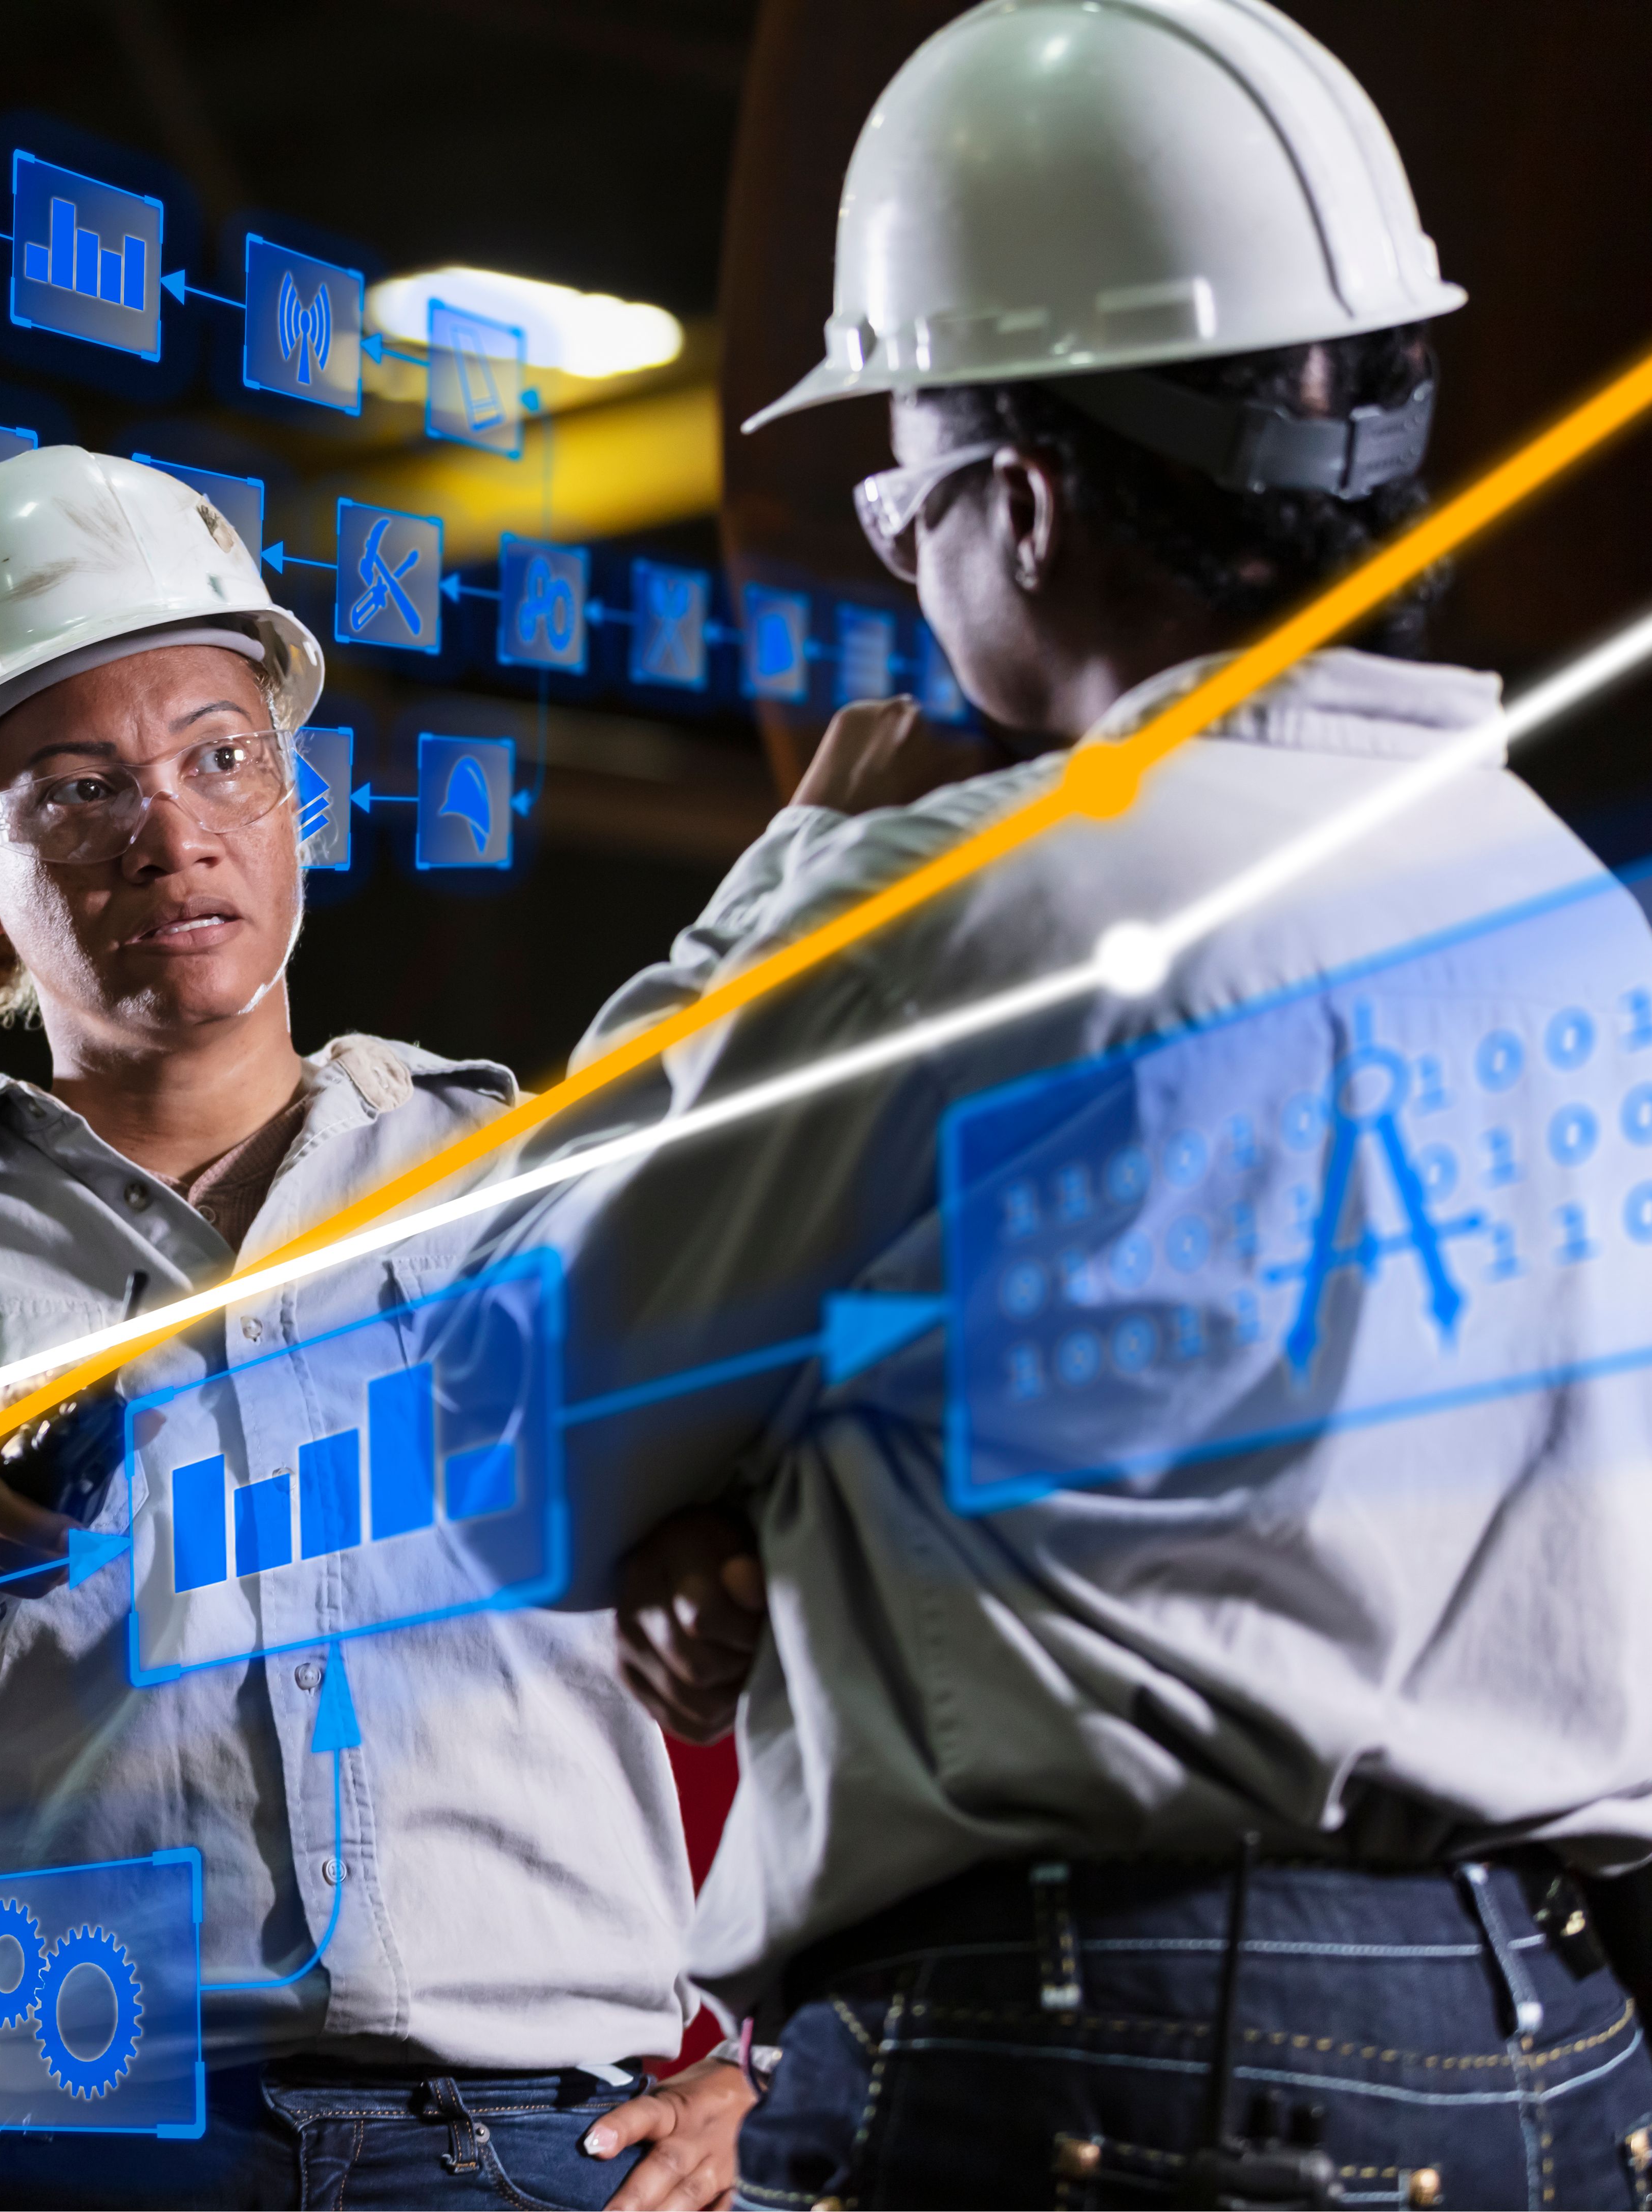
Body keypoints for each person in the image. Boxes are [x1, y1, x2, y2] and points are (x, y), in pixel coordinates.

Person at [491, 1, 1652, 2201]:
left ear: (1019, 503)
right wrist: (820, 1499)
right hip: (1553, 2054)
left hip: (1101, 2053)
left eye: (895, 490)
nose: (892, 554)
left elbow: (506, 1431)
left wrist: (776, 908)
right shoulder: (1577, 915)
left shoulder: (974, 910)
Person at [0, 446, 750, 2209]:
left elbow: (849, 1602)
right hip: (36, 2163)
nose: (171, 828)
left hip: (529, 2160)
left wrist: (776, 2049)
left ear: (292, 795)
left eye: (222, 756)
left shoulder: (547, 1197)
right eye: (75, 790)